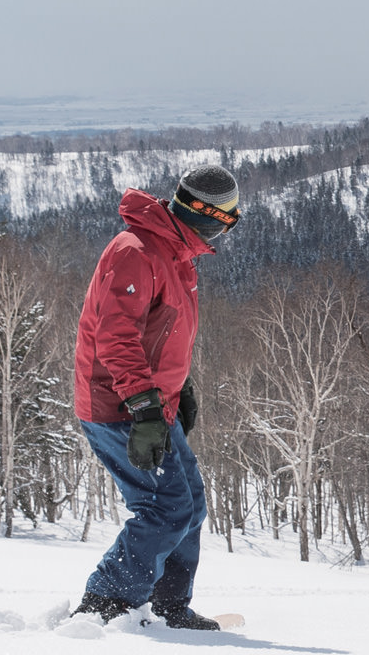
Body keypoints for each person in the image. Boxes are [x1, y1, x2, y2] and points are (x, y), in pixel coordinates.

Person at [70, 165, 241, 630]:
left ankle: (166, 608)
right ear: (206, 215)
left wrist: (178, 387)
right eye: (229, 218)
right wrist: (145, 407)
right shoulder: (137, 251)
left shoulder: (175, 253)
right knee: (165, 508)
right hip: (119, 406)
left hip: (151, 403)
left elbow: (161, 332)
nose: (229, 228)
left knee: (190, 505)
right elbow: (117, 336)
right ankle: (103, 606)